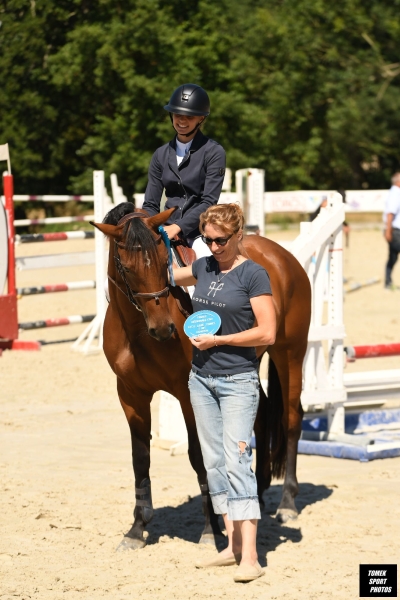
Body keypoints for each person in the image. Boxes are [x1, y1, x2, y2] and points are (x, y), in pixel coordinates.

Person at [172, 203, 276, 583]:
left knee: (236, 464)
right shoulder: (202, 267)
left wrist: (220, 340)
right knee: (213, 463)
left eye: (220, 241)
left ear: (237, 236)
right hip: (199, 380)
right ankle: (231, 546)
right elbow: (166, 275)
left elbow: (267, 333)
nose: (213, 247)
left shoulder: (254, 274)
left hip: (237, 382)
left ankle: (250, 556)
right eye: (207, 240)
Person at [142, 83, 226, 258]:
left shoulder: (214, 152)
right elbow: (150, 203)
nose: (181, 121)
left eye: (189, 116)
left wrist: (178, 227)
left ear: (201, 118)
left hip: (200, 231)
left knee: (204, 262)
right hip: (164, 229)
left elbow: (209, 201)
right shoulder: (160, 154)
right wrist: (150, 226)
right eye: (177, 114)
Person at [383, 172, 400, 290]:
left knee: (393, 257)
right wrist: (388, 231)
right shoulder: (396, 193)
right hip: (395, 231)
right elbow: (390, 214)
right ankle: (387, 281)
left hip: (394, 230)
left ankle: (388, 281)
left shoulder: (395, 192)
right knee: (393, 256)